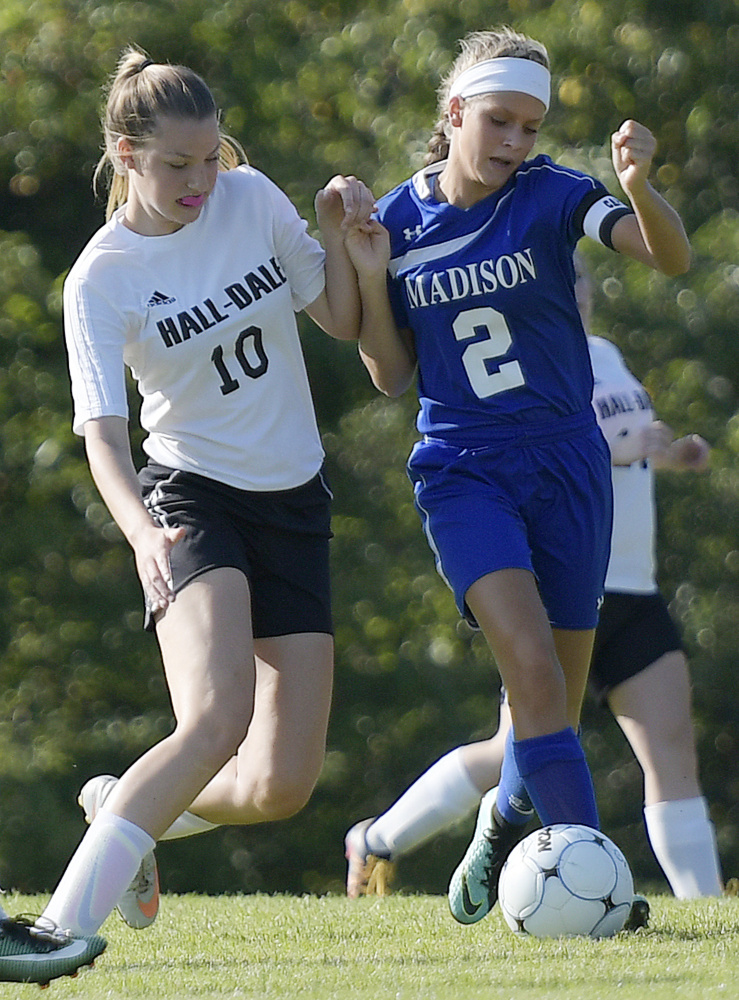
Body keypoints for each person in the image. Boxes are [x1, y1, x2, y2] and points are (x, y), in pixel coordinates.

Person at [0, 47, 374, 984]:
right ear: (125, 156)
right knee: (215, 717)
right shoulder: (101, 277)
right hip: (190, 499)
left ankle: (125, 812)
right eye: (177, 165)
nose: (200, 180)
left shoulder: (248, 197)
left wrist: (337, 237)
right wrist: (141, 534)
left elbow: (333, 315)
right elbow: (99, 433)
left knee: (282, 787)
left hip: (293, 500)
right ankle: (52, 926)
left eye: (210, 158)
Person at [343, 25, 691, 923]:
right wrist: (373, 273)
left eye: (529, 127)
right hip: (463, 468)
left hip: (568, 462)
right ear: (454, 113)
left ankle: (503, 822)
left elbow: (668, 257)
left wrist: (640, 188)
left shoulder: (553, 193)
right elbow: (388, 373)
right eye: (498, 121)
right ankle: (597, 880)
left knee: (554, 707)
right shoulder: (398, 217)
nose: (513, 143)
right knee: (530, 673)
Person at [344, 257, 724, 912]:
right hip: (559, 587)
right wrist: (621, 444)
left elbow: (627, 444)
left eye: (577, 279)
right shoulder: (519, 356)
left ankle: (707, 907)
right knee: (513, 751)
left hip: (632, 589)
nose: (573, 291)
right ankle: (377, 838)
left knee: (671, 751)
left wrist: (668, 452)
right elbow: (545, 447)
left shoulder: (603, 352)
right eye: (560, 278)